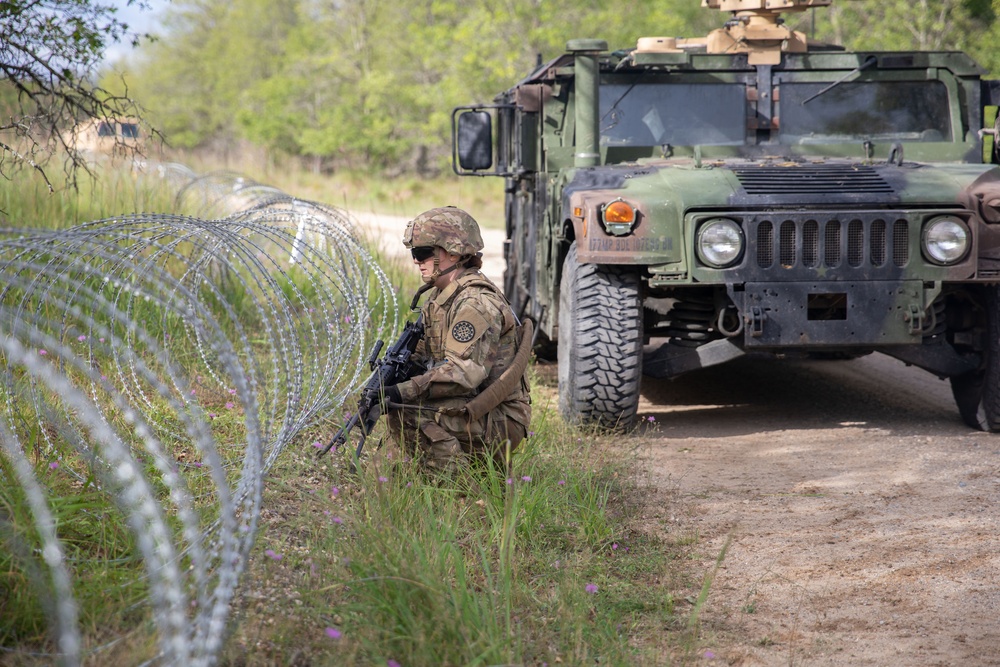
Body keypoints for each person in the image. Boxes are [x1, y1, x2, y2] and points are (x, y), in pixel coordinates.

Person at [382, 206, 531, 471]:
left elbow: (464, 374)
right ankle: (437, 473)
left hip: (500, 417)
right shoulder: (440, 297)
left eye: (423, 253)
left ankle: (460, 488)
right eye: (414, 254)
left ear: (452, 253)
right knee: (399, 404)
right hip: (476, 405)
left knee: (408, 413)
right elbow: (421, 353)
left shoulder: (475, 303)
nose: (416, 261)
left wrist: (402, 391)